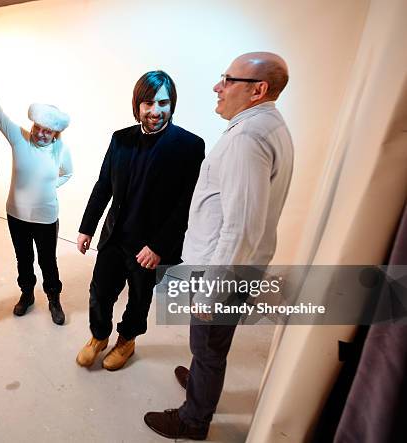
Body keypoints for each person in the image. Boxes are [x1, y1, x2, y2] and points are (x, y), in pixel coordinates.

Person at [144, 52, 294, 440]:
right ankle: (200, 381)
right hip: (229, 266)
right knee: (209, 343)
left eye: (228, 80)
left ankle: (193, 420)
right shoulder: (267, 126)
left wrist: (211, 292)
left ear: (258, 90)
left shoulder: (247, 137)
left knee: (208, 343)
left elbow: (241, 226)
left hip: (220, 271)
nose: (217, 87)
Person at [76, 70, 206, 371]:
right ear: (137, 106)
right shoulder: (120, 139)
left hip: (149, 246)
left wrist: (159, 245)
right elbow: (103, 186)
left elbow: (186, 205)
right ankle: (99, 337)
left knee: (139, 299)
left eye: (163, 102)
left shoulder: (189, 146)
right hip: (115, 236)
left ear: (172, 104)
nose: (156, 111)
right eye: (148, 103)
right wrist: (87, 227)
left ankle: (127, 341)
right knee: (100, 291)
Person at [0, 51, 73, 325]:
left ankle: (53, 298)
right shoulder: (19, 138)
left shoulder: (61, 150)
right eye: (38, 127)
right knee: (23, 258)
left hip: (45, 217)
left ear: (56, 133)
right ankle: (27, 294)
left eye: (47, 131)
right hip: (16, 214)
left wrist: (52, 186)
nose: (41, 133)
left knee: (48, 261)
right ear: (33, 125)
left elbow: (68, 173)